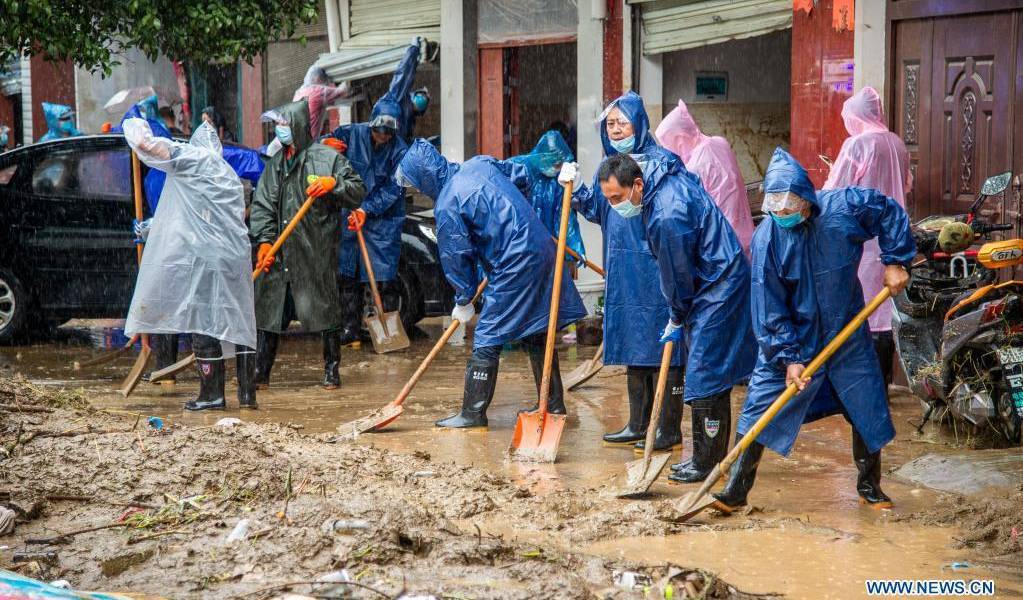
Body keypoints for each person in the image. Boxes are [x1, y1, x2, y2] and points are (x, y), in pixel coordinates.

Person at [713, 148, 915, 513]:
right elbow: (768, 308)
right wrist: (788, 358)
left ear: (807, 201)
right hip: (794, 338)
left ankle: (870, 485)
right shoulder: (767, 239)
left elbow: (886, 210)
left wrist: (896, 259)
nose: (782, 217)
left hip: (847, 332)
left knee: (864, 405)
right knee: (761, 406)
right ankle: (734, 489)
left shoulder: (842, 210)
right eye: (776, 212)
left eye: (790, 210)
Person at [395, 139, 588, 428]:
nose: (418, 190)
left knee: (488, 335)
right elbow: (521, 177)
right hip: (540, 245)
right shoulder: (479, 164)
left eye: (416, 184)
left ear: (425, 178)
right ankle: (554, 403)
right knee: (536, 328)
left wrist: (463, 299)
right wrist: (512, 223)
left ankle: (473, 413)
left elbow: (457, 256)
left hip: (514, 262)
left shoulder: (448, 203)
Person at [592, 151, 756, 483]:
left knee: (706, 371)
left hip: (718, 283)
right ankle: (704, 456)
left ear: (637, 185)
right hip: (711, 277)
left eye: (617, 198)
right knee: (707, 369)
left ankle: (707, 461)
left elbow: (678, 277)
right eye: (607, 199)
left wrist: (677, 316)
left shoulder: (666, 215)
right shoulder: (657, 183)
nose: (613, 206)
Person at [560, 92, 685, 453]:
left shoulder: (662, 163)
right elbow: (599, 209)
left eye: (622, 122)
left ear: (639, 123)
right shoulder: (612, 166)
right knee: (634, 346)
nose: (615, 130)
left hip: (656, 267)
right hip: (624, 272)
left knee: (666, 347)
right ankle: (637, 423)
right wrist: (576, 187)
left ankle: (668, 428)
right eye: (610, 124)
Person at [121, 118, 257, 410]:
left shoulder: (195, 159)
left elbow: (149, 147)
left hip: (208, 260)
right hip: (235, 258)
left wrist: (134, 125)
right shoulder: (226, 174)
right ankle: (247, 397)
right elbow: (195, 216)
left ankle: (212, 395)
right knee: (239, 323)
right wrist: (152, 227)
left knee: (204, 323)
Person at [250, 100, 365, 390]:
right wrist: (264, 242)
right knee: (269, 313)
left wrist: (333, 185)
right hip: (279, 253)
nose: (280, 131)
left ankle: (331, 370)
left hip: (315, 252)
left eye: (285, 125)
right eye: (278, 126)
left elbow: (357, 191)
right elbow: (263, 205)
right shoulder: (275, 165)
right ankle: (260, 373)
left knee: (324, 312)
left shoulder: (328, 160)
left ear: (299, 127)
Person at [824, 87, 912, 392]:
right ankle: (882, 384)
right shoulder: (897, 144)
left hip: (864, 239)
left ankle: (864, 387)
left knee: (862, 309)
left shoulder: (857, 145)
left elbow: (836, 190)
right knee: (885, 309)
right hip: (895, 239)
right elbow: (907, 184)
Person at [327, 88, 409, 345]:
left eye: (387, 133)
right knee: (348, 274)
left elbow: (395, 188)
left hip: (382, 220)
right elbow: (330, 140)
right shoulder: (353, 133)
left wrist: (367, 208)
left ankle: (389, 332)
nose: (381, 137)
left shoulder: (400, 151)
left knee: (384, 277)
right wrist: (326, 144)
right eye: (377, 131)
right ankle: (350, 329)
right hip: (351, 214)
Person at [655, 100, 754, 255]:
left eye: (669, 144)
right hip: (744, 234)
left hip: (721, 245)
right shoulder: (720, 142)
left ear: (680, 138)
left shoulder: (694, 167)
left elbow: (690, 214)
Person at [506, 130, 586, 262]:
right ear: (544, 157)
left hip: (544, 252)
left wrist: (576, 247)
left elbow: (564, 217)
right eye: (556, 164)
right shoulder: (515, 168)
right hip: (514, 250)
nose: (558, 168)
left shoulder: (557, 181)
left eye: (561, 164)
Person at [375, 38, 425, 143]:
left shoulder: (408, 117)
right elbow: (404, 73)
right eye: (420, 97)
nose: (420, 101)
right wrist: (413, 50)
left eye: (423, 102)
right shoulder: (396, 99)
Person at [295, 65, 351, 139]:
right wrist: (347, 77)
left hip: (296, 136)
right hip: (308, 140)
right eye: (323, 78)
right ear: (318, 78)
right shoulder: (317, 92)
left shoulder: (300, 92)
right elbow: (343, 90)